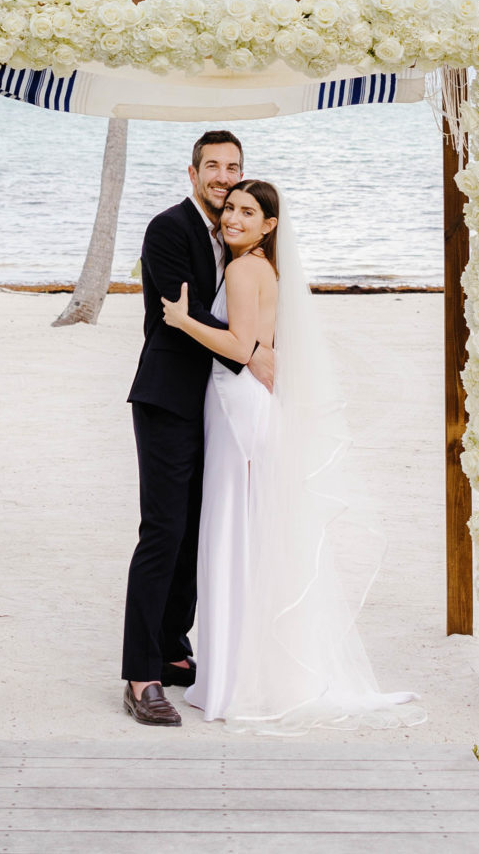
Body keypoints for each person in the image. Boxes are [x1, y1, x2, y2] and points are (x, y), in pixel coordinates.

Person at [158, 177, 421, 731]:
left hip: (239, 406)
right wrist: (257, 352)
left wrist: (184, 321)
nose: (232, 218)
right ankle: (247, 670)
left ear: (269, 226)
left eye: (247, 212)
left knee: (238, 533)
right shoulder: (261, 267)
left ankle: (241, 680)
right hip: (242, 401)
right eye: (230, 208)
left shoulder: (242, 268)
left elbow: (240, 346)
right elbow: (260, 347)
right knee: (250, 532)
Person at [120, 130, 267, 726]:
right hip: (166, 399)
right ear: (192, 173)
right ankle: (140, 675)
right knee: (161, 532)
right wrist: (246, 350)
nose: (224, 177)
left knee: (193, 534)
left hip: (213, 405)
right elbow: (183, 317)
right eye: (213, 167)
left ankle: (174, 651)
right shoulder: (168, 229)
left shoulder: (234, 237)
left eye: (233, 167)